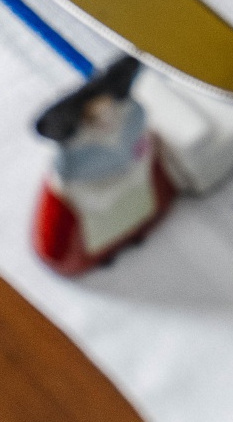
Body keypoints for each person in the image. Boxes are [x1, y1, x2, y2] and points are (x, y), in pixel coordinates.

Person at [32, 55, 174, 275]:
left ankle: (135, 229)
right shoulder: (75, 160)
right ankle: (102, 250)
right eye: (97, 117)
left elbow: (142, 149)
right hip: (93, 201)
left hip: (134, 182)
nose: (107, 118)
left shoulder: (132, 119)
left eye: (110, 110)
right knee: (95, 229)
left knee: (138, 206)